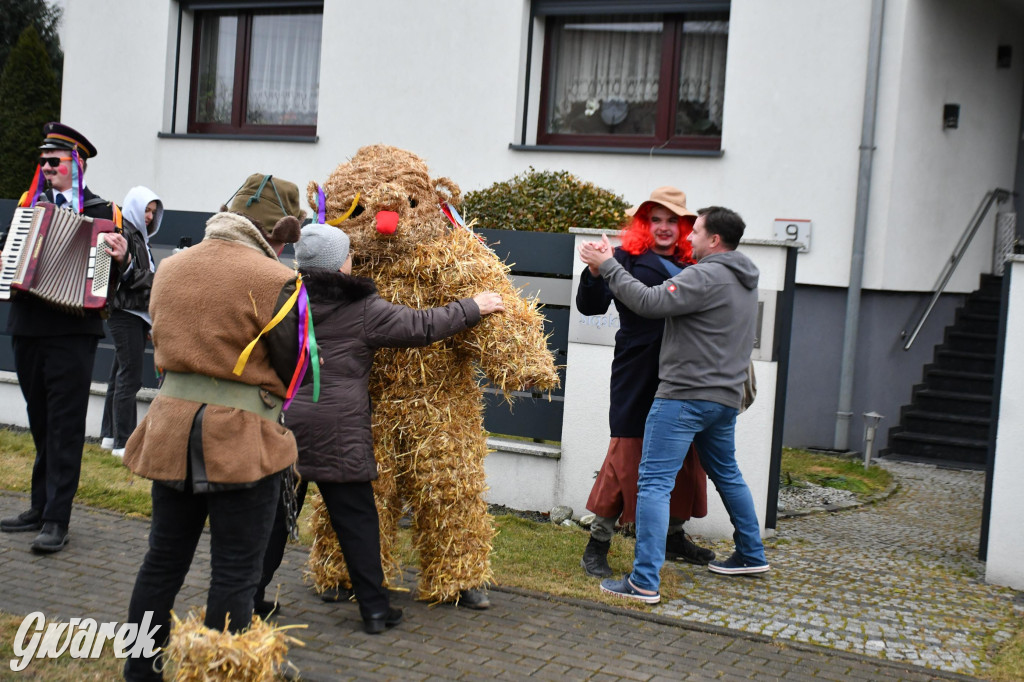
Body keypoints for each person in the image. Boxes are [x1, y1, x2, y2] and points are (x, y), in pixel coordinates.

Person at [254, 222, 505, 634]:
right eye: (349, 253)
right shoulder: (361, 308)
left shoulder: (283, 299)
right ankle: (374, 610)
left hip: (285, 425)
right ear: (339, 264)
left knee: (275, 518)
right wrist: (473, 306)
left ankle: (251, 597)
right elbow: (422, 325)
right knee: (357, 522)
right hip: (339, 432)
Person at [121, 173, 307, 681]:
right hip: (242, 441)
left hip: (171, 431)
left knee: (161, 561)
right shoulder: (278, 281)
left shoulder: (172, 266)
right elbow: (297, 370)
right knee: (235, 571)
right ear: (280, 233)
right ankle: (223, 673)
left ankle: (139, 671)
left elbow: (159, 339)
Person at [579, 205, 769, 605]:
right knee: (728, 474)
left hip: (684, 396)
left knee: (653, 484)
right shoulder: (745, 277)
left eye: (694, 230)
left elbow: (649, 303)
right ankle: (751, 553)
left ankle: (644, 581)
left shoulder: (704, 273)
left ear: (714, 239)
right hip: (724, 398)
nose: (688, 236)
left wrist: (609, 266)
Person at [0, 122, 131, 554]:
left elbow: (118, 277)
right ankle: (39, 507)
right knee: (40, 419)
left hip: (74, 331)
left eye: (52, 160)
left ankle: (58, 518)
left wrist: (122, 256)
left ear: (77, 163)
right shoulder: (29, 206)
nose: (45, 166)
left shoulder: (103, 213)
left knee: (66, 425)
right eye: (41, 160)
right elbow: (14, 263)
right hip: (28, 326)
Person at [576, 186, 714, 578]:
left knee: (684, 454)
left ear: (686, 227)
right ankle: (597, 544)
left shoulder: (696, 265)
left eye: (674, 220)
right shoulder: (626, 259)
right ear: (644, 223)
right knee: (626, 455)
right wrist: (594, 270)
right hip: (637, 371)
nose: (665, 227)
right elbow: (589, 306)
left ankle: (673, 536)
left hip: (684, 374)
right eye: (657, 219)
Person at [100, 186, 164, 457]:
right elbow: (127, 274)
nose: (149, 216)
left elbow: (135, 274)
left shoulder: (139, 236)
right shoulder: (123, 232)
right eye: (146, 210)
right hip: (124, 313)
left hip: (135, 314)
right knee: (130, 378)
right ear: (134, 206)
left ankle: (109, 436)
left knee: (118, 377)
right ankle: (124, 443)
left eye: (153, 212)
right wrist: (160, 279)